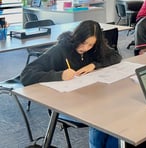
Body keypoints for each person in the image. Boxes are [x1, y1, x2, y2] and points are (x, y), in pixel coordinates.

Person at [20, 20, 122, 148]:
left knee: (114, 115)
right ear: (77, 37)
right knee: (103, 117)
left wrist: (94, 65)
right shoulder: (61, 49)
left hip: (87, 98)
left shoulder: (94, 49)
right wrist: (59, 75)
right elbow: (26, 74)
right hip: (64, 105)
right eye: (84, 43)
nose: (85, 48)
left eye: (90, 45)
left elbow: (116, 56)